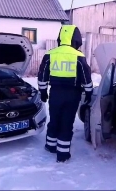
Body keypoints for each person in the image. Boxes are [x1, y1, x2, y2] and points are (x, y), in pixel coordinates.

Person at [37, 25, 93, 163]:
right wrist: (89, 92)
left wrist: (43, 92)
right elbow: (86, 78)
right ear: (76, 39)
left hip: (55, 93)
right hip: (72, 95)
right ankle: (62, 154)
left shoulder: (51, 54)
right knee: (66, 123)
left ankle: (50, 146)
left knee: (54, 119)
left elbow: (42, 75)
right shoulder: (79, 56)